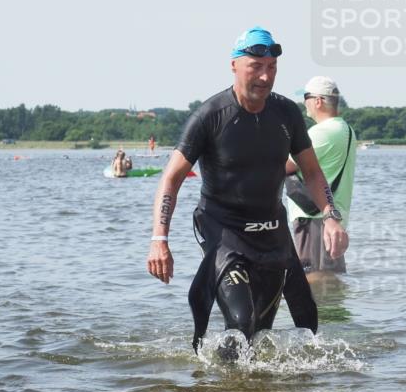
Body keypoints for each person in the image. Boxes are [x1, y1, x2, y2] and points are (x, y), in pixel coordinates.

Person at [146, 27, 349, 357]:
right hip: (222, 231)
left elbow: (311, 170)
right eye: (256, 66)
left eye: (272, 68)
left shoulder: (286, 114)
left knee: (261, 335)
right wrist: (159, 240)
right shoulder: (211, 116)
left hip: (271, 233)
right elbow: (171, 179)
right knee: (241, 321)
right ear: (234, 66)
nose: (265, 76)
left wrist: (330, 217)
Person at [285, 76, 356, 273]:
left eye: (306, 97)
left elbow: (284, 166)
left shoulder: (322, 132)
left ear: (318, 101)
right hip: (331, 218)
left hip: (314, 218)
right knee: (330, 280)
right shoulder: (346, 129)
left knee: (314, 281)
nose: (303, 103)